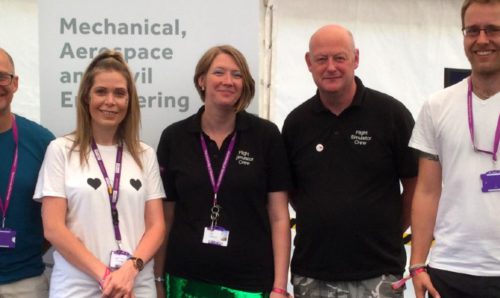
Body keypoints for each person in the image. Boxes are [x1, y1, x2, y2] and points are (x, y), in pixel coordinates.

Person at [282, 25, 418, 298]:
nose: (330, 67)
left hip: (379, 273)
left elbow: (416, 187)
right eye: (321, 59)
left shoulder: (391, 115)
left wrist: (388, 230)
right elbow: (292, 192)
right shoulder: (296, 123)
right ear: (309, 63)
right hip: (312, 273)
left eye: (339, 58)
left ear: (356, 58)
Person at [155, 44, 292, 298]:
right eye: (219, 72)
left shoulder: (266, 136)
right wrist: (158, 279)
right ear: (202, 80)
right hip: (185, 281)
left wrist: (279, 287)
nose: (228, 81)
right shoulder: (174, 137)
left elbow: (279, 216)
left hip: (248, 283)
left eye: (237, 75)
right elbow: (165, 217)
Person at [34, 50, 166, 297]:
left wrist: (129, 270)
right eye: (101, 91)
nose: (110, 101)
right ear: (86, 97)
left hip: (135, 285)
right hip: (78, 288)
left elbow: (156, 226)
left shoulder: (144, 154)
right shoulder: (61, 150)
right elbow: (53, 228)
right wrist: (108, 277)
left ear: (129, 100)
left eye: (119, 93)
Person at [409, 0, 500, 297]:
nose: (482, 39)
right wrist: (418, 264)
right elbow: (427, 190)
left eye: (493, 30)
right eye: (473, 30)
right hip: (450, 270)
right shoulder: (437, 106)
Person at [0, 48, 54, 297]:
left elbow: (62, 213)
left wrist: (32, 249)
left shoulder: (41, 141)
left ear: (15, 82)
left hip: (25, 283)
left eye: (2, 76)